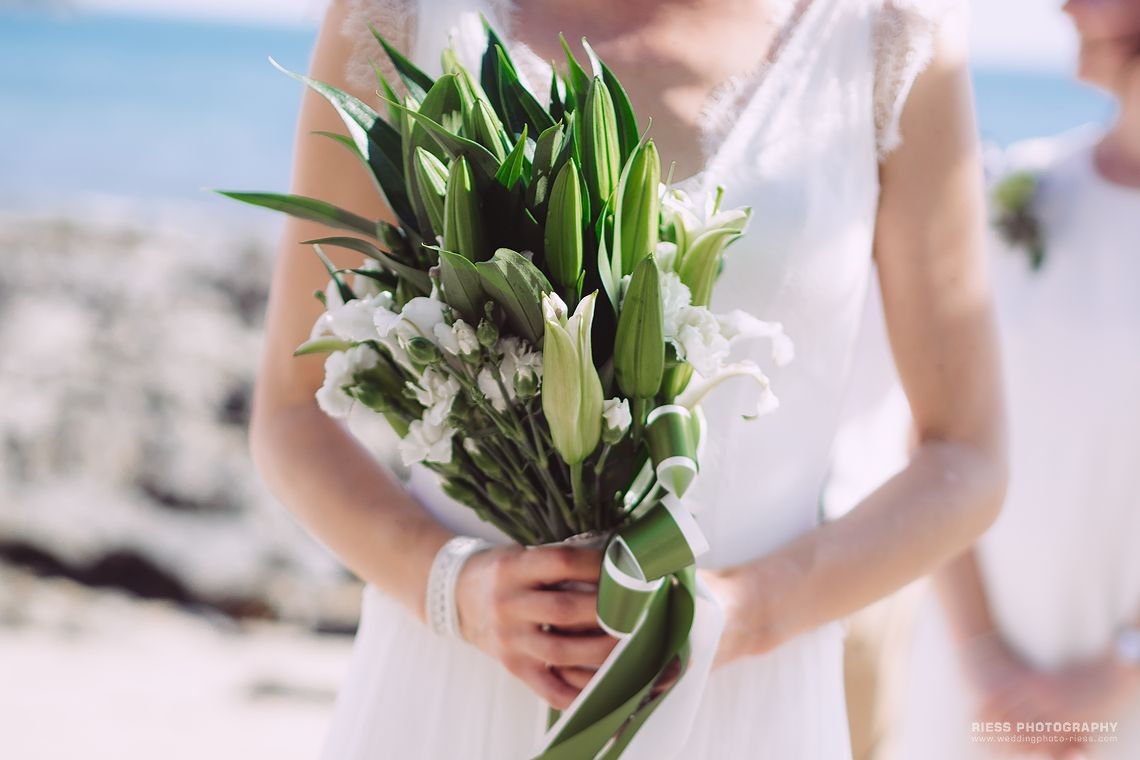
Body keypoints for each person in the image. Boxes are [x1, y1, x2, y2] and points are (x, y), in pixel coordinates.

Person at [248, 0, 1008, 757]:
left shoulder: (886, 32)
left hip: (744, 702)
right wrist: (455, 588)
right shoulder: (410, 13)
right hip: (458, 684)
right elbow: (292, 413)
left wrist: (741, 615)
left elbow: (968, 457)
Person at [889, 2, 1140, 758]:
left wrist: (1118, 674)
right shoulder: (1019, 191)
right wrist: (983, 661)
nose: (1066, 7)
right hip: (978, 684)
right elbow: (938, 435)